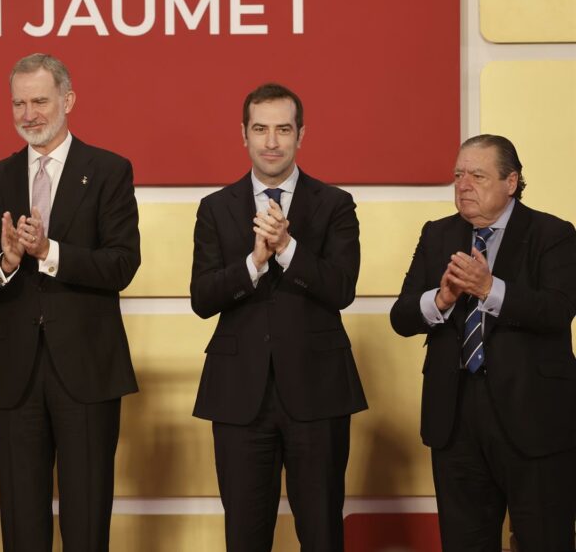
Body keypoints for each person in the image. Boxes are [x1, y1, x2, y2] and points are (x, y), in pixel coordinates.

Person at [0, 53, 140, 551]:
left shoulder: (108, 170)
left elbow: (122, 264)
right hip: (15, 376)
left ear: (68, 100)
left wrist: (48, 252)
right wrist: (7, 261)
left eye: (39, 101)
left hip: (88, 371)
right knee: (21, 525)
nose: (29, 114)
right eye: (19, 103)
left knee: (86, 522)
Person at [189, 83, 366, 551]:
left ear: (301, 135)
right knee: (244, 536)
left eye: (283, 130)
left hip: (318, 390)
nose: (271, 142)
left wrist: (287, 248)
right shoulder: (215, 208)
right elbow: (203, 298)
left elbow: (341, 289)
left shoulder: (335, 204)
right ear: (243, 134)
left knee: (322, 532)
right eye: (260, 129)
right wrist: (254, 263)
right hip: (238, 395)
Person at [390, 134, 576, 551]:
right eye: (458, 175)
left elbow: (557, 310)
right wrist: (441, 300)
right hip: (454, 418)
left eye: (477, 175)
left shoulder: (553, 233)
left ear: (511, 182)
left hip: (534, 417)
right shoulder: (437, 234)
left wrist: (490, 289)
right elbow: (401, 317)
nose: (463, 185)